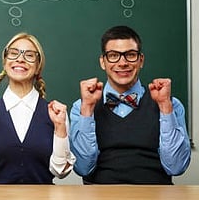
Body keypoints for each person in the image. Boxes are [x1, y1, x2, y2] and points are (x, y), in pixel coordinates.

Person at [70, 25, 191, 184]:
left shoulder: (171, 104)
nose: (122, 63)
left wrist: (165, 107)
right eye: (113, 55)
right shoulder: (81, 107)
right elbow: (82, 168)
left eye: (130, 55)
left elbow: (176, 167)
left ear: (141, 60)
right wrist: (87, 109)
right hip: (100, 199)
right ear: (103, 62)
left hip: (155, 199)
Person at [0, 32, 76, 184]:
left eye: (29, 55)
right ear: (5, 62)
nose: (20, 59)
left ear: (38, 66)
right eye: (13, 53)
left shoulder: (55, 113)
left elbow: (60, 171)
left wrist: (60, 127)